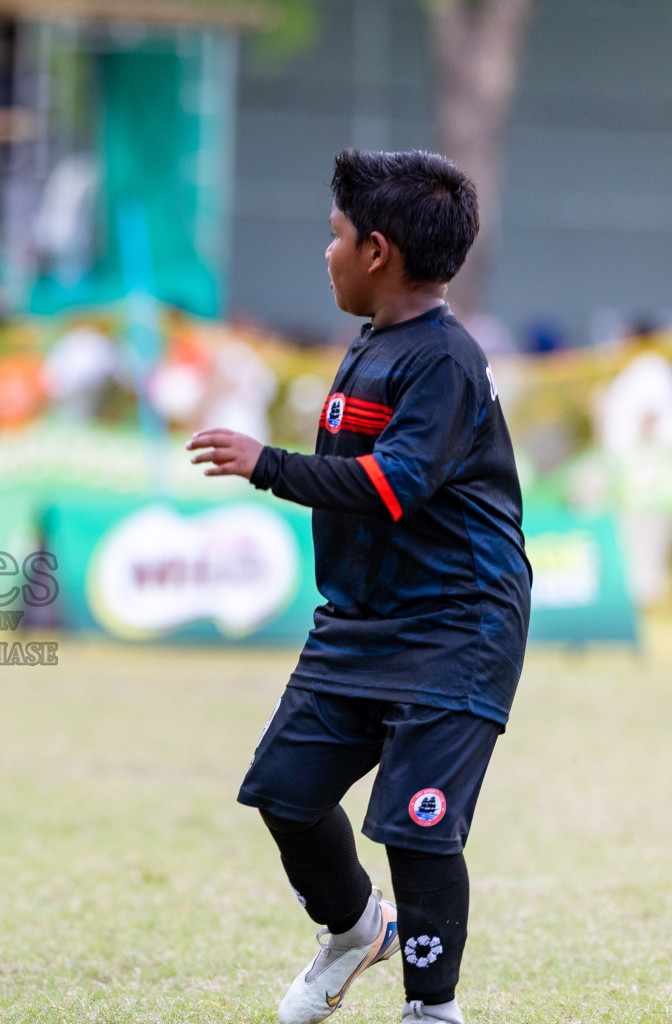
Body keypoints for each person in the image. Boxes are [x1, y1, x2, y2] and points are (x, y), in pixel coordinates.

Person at [187, 150, 531, 1024]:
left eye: (335, 235)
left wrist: (269, 465)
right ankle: (352, 930)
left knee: (417, 829)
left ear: (376, 251)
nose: (325, 250)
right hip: (360, 623)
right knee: (285, 794)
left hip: (459, 626)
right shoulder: (378, 340)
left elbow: (392, 485)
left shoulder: (445, 359)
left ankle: (432, 1010)